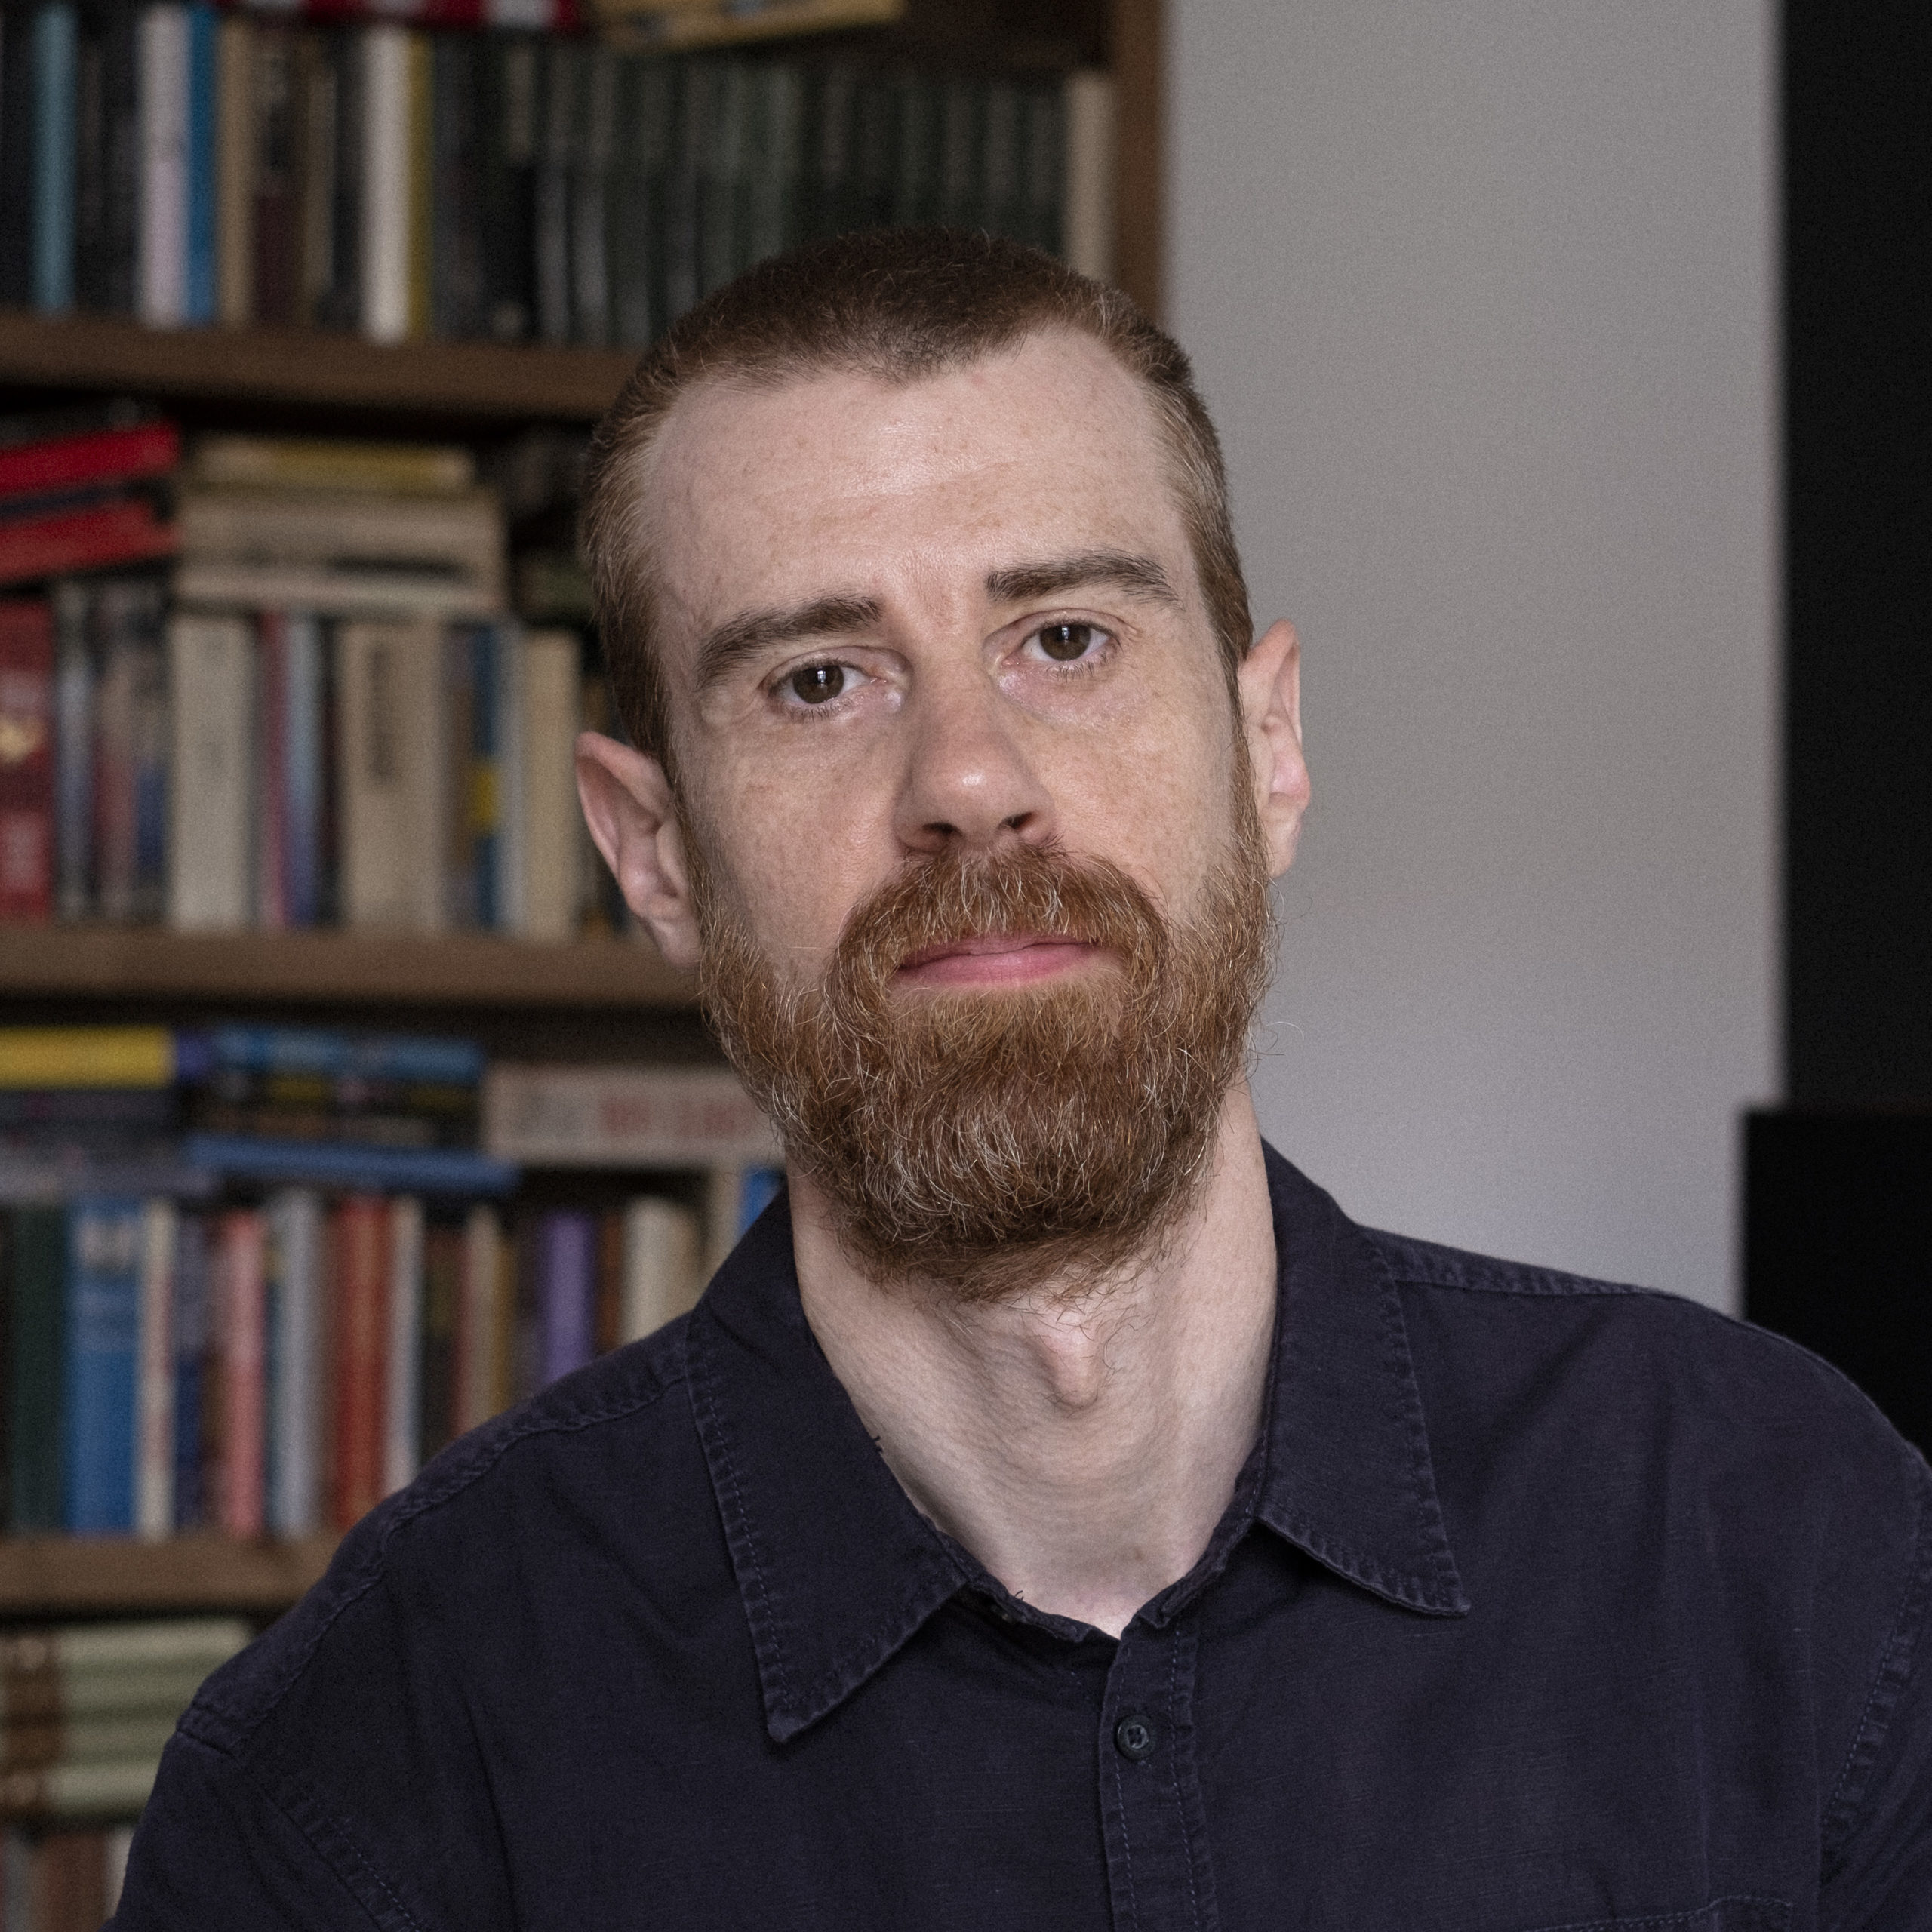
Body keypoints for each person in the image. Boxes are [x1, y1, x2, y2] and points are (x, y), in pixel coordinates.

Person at [115, 229, 1930, 1930]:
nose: (967, 780)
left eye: (1064, 638)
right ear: (652, 850)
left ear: (1267, 747)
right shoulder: (366, 1767)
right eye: (819, 679)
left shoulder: (1786, 1544)